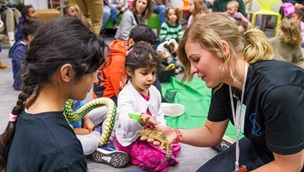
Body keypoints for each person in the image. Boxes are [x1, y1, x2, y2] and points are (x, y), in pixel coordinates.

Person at [140, 13, 304, 171]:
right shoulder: (223, 82)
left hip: (295, 156)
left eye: (196, 59)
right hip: (262, 144)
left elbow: (289, 166)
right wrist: (175, 133)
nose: (193, 70)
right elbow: (212, 132)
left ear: (223, 49)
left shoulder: (278, 91)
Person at [0, 17, 107, 171]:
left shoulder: (28, 106)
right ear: (67, 73)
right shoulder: (65, 154)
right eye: (92, 72)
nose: (96, 80)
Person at [115, 42, 181, 171]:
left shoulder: (154, 91)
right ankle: (124, 152)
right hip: (131, 138)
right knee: (157, 158)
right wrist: (140, 119)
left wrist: (161, 129)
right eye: (144, 73)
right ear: (130, 72)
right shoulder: (126, 96)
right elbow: (125, 122)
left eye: (153, 73)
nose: (150, 78)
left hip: (149, 132)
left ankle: (163, 155)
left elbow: (158, 113)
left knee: (175, 144)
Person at [93, 24, 185, 116]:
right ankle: (152, 107)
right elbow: (122, 94)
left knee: (150, 72)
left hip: (122, 88)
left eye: (149, 48)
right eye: (143, 47)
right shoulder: (118, 63)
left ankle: (160, 103)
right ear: (131, 42)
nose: (146, 52)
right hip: (108, 100)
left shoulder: (131, 49)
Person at [70, 100, 130, 168]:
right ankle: (99, 133)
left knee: (113, 110)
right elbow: (60, 128)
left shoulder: (76, 91)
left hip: (80, 122)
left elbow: (81, 106)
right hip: (69, 133)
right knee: (89, 143)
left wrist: (86, 119)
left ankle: (107, 144)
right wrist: (89, 132)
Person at [10, 18, 42, 91]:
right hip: (22, 83)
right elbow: (25, 68)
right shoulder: (19, 50)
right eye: (40, 35)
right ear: (30, 37)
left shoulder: (34, 46)